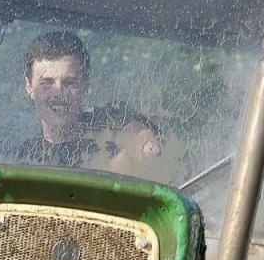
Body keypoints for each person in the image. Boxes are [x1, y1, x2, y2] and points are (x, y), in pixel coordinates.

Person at [16, 31, 161, 171]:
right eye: (46, 83)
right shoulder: (24, 155)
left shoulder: (110, 122)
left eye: (70, 83)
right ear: (29, 87)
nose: (58, 93)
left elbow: (147, 145)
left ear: (85, 87)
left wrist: (114, 165)